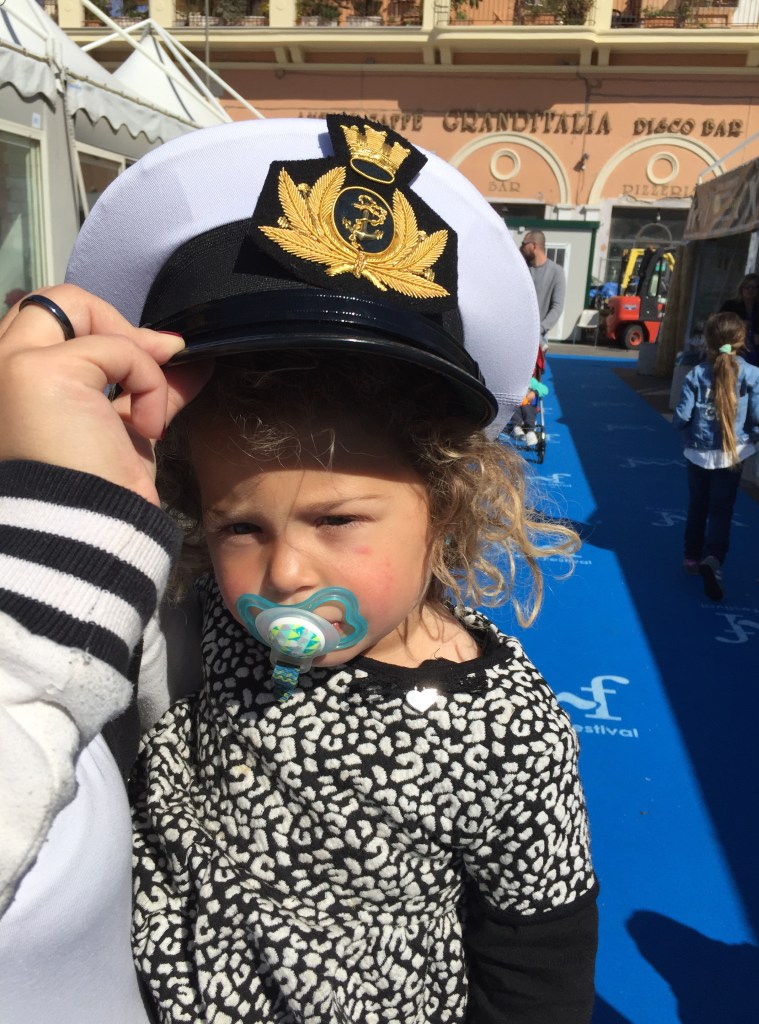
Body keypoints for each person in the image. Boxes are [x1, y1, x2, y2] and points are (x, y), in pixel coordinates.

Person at [0, 116, 598, 1023]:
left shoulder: (509, 730)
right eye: (239, 526)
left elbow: (537, 958)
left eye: (336, 519)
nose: (282, 572)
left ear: (446, 507)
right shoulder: (203, 620)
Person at [673, 311, 759, 601]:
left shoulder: (696, 374)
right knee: (721, 511)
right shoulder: (753, 375)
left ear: (708, 341)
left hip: (698, 453)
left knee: (697, 506)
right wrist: (754, 435)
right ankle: (713, 558)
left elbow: (681, 417)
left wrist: (685, 426)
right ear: (742, 340)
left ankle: (691, 557)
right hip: (732, 453)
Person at [520, 229, 566, 351]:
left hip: (539, 338)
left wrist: (540, 329)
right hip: (517, 333)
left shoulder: (556, 272)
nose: (521, 247)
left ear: (534, 246)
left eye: (524, 243)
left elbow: (557, 307)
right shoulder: (522, 269)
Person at [719, 273, 759, 369]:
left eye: (754, 287)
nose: (750, 290)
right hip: (734, 352)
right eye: (747, 287)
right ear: (741, 288)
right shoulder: (730, 305)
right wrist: (738, 325)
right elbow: (718, 325)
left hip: (757, 355)